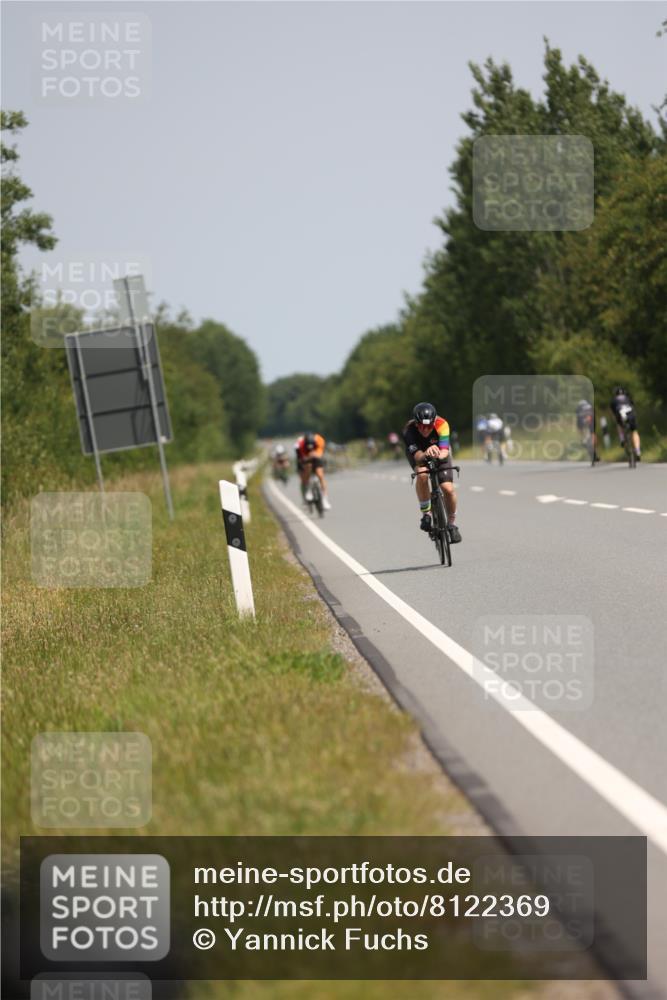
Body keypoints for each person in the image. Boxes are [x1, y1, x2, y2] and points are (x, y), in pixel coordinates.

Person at [403, 402, 461, 543]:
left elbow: (444, 452)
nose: (425, 430)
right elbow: (417, 457)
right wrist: (426, 454)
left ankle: (452, 524)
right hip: (419, 453)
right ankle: (426, 513)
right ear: (416, 424)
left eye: (429, 426)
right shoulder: (408, 430)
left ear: (434, 422)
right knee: (422, 474)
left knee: (448, 488)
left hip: (440, 451)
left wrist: (435, 453)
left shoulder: (442, 424)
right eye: (421, 426)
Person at [295, 432, 332, 509]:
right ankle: (308, 490)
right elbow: (303, 458)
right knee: (307, 468)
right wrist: (307, 458)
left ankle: (325, 499)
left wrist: (314, 454)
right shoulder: (301, 444)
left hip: (317, 456)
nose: (310, 447)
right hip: (304, 456)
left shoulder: (319, 440)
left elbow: (319, 455)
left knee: (320, 475)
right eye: (308, 446)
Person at [610, 387, 641, 460]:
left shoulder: (614, 400)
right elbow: (633, 407)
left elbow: (613, 413)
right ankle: (638, 450)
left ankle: (622, 439)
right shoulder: (628, 398)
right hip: (630, 414)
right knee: (634, 431)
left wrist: (615, 420)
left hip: (620, 414)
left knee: (619, 425)